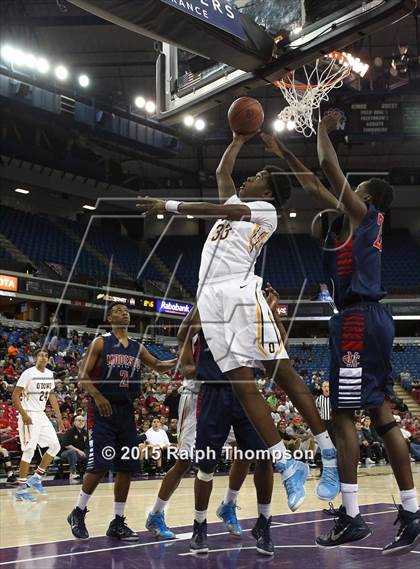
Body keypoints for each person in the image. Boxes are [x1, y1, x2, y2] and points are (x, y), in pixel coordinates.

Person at [137, 130, 340, 511]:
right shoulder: (240, 200)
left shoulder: (265, 211)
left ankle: (328, 454)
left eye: (259, 176)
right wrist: (235, 138)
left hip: (240, 294)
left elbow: (223, 210)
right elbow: (222, 172)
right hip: (211, 301)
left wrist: (169, 204)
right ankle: (286, 463)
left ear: (269, 190)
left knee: (282, 374)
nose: (250, 177)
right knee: (243, 386)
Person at [261, 116, 419, 554]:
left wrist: (324, 129)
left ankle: (352, 516)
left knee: (342, 417)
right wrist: (285, 154)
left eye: (355, 188)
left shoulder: (364, 214)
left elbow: (328, 171)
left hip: (355, 321)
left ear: (364, 197)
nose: (347, 192)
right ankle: (410, 510)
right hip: (371, 320)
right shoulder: (359, 222)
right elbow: (315, 185)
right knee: (383, 416)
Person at [67, 302, 177, 541]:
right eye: (117, 310)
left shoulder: (137, 347)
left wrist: (183, 360)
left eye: (126, 311)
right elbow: (82, 376)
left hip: (126, 413)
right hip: (102, 412)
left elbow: (158, 366)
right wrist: (98, 396)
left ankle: (117, 522)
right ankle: (78, 512)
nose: (123, 312)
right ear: (109, 317)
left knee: (126, 468)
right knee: (99, 466)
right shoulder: (100, 342)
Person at [180, 304, 277, 556]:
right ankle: (199, 525)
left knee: (264, 458)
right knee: (206, 465)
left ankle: (264, 524)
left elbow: (276, 344)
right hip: (213, 391)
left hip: (246, 392)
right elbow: (183, 333)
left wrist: (272, 311)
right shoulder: (207, 305)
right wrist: (189, 363)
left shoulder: (248, 307)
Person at [12, 349, 63, 500]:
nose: (43, 357)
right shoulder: (28, 373)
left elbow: (51, 395)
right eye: (40, 355)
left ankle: (35, 478)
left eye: (46, 355)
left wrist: (59, 416)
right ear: (35, 358)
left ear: (49, 359)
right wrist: (24, 415)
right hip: (29, 413)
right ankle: (21, 489)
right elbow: (15, 395)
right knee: (29, 450)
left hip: (41, 414)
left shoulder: (49, 374)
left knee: (55, 445)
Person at [61, 415, 88, 480]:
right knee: (72, 452)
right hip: (66, 453)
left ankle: (88, 472)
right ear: (74, 422)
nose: (81, 422)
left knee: (91, 452)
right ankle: (72, 473)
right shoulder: (70, 431)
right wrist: (79, 451)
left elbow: (87, 445)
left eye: (83, 421)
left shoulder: (85, 432)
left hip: (80, 453)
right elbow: (66, 445)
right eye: (79, 420)